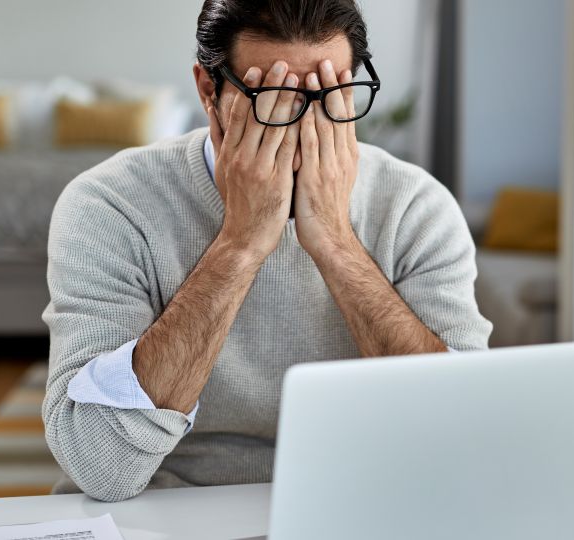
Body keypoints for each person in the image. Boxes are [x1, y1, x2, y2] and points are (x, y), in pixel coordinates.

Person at [41, 0, 491, 502]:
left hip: (359, 502)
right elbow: (100, 464)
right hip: (162, 506)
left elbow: (462, 440)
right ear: (210, 92)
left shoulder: (416, 207)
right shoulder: (109, 204)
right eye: (274, 100)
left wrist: (337, 243)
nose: (304, 128)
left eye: (331, 94)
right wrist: (241, 243)